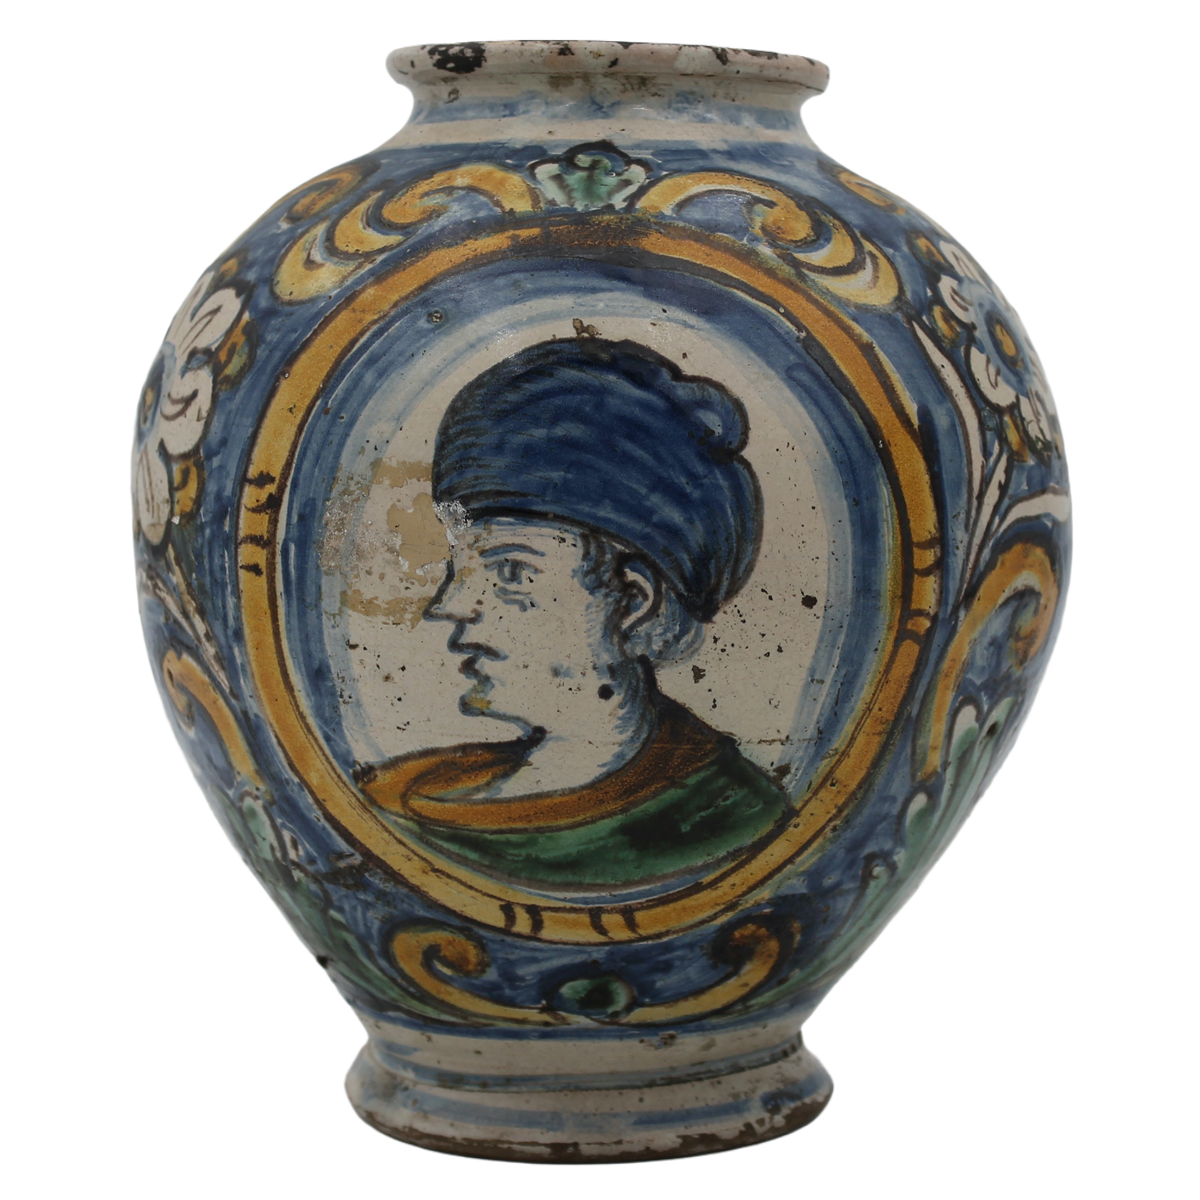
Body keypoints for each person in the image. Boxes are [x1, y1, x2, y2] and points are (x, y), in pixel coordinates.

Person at [356, 338, 790, 889]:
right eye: (458, 568)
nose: (451, 605)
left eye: (510, 570)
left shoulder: (724, 821)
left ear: (633, 602)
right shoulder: (404, 792)